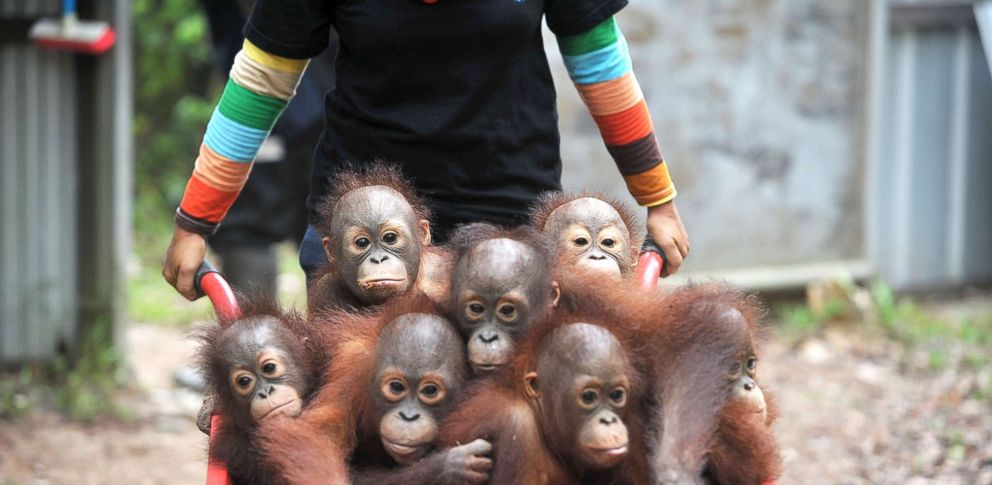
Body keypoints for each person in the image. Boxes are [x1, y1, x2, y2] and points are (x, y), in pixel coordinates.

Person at [163, 0, 691, 300]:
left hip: (509, 207)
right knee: (360, 405)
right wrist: (195, 223)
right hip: (366, 217)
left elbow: (600, 63)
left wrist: (657, 199)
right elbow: (259, 83)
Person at [197, 0, 336, 294]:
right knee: (249, 233)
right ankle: (253, 335)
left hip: (312, 106)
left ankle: (333, 334)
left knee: (333, 233)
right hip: (262, 108)